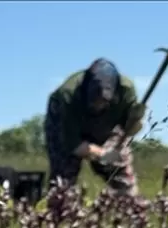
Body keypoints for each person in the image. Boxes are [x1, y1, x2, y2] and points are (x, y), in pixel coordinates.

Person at [44, 58, 145, 196]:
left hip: (106, 126)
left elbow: (129, 131)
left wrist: (137, 122)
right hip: (67, 124)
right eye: (94, 101)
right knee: (62, 182)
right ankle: (60, 211)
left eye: (103, 102)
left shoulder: (125, 90)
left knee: (120, 172)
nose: (98, 106)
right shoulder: (67, 95)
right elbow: (73, 145)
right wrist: (103, 154)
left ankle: (129, 208)